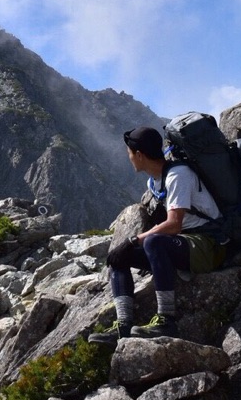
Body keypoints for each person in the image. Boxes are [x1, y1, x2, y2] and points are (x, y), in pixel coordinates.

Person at [89, 126, 226, 344]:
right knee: (118, 257)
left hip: (208, 243)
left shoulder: (178, 176)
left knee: (152, 242)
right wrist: (127, 247)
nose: (130, 158)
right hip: (186, 243)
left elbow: (173, 224)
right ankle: (123, 327)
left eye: (130, 154)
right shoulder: (155, 180)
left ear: (139, 155)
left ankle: (166, 321)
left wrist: (133, 240)